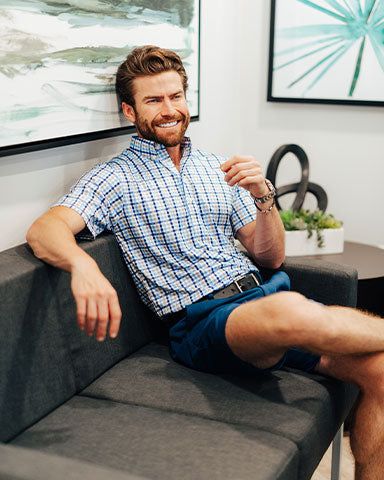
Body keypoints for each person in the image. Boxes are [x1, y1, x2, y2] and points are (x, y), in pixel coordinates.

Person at [27, 45, 384, 479]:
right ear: (129, 110)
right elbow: (44, 230)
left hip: (260, 300)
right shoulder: (114, 177)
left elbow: (270, 256)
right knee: (290, 308)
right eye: (153, 100)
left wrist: (264, 199)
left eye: (175, 96)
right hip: (201, 322)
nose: (168, 109)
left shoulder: (219, 167)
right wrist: (83, 266)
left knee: (380, 371)